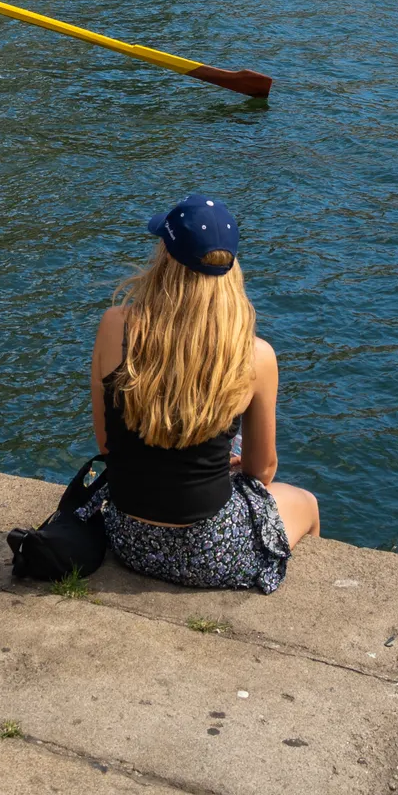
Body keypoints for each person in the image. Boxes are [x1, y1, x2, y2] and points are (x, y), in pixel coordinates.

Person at [90, 193, 319, 593]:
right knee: (306, 503)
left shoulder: (115, 326)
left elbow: (108, 445)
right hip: (213, 553)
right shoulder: (254, 355)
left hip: (127, 536)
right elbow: (262, 471)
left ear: (164, 257)